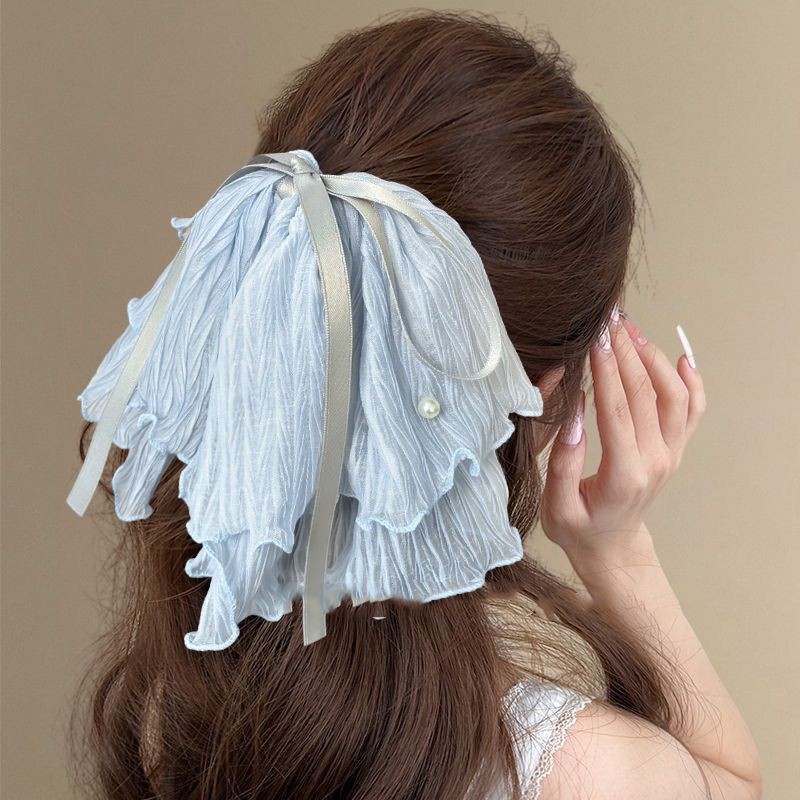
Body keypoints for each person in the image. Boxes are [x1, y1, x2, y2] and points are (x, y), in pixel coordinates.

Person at [67, 10, 761, 800]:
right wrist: (617, 550)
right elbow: (734, 784)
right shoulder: (592, 774)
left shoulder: (182, 703)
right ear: (535, 399)